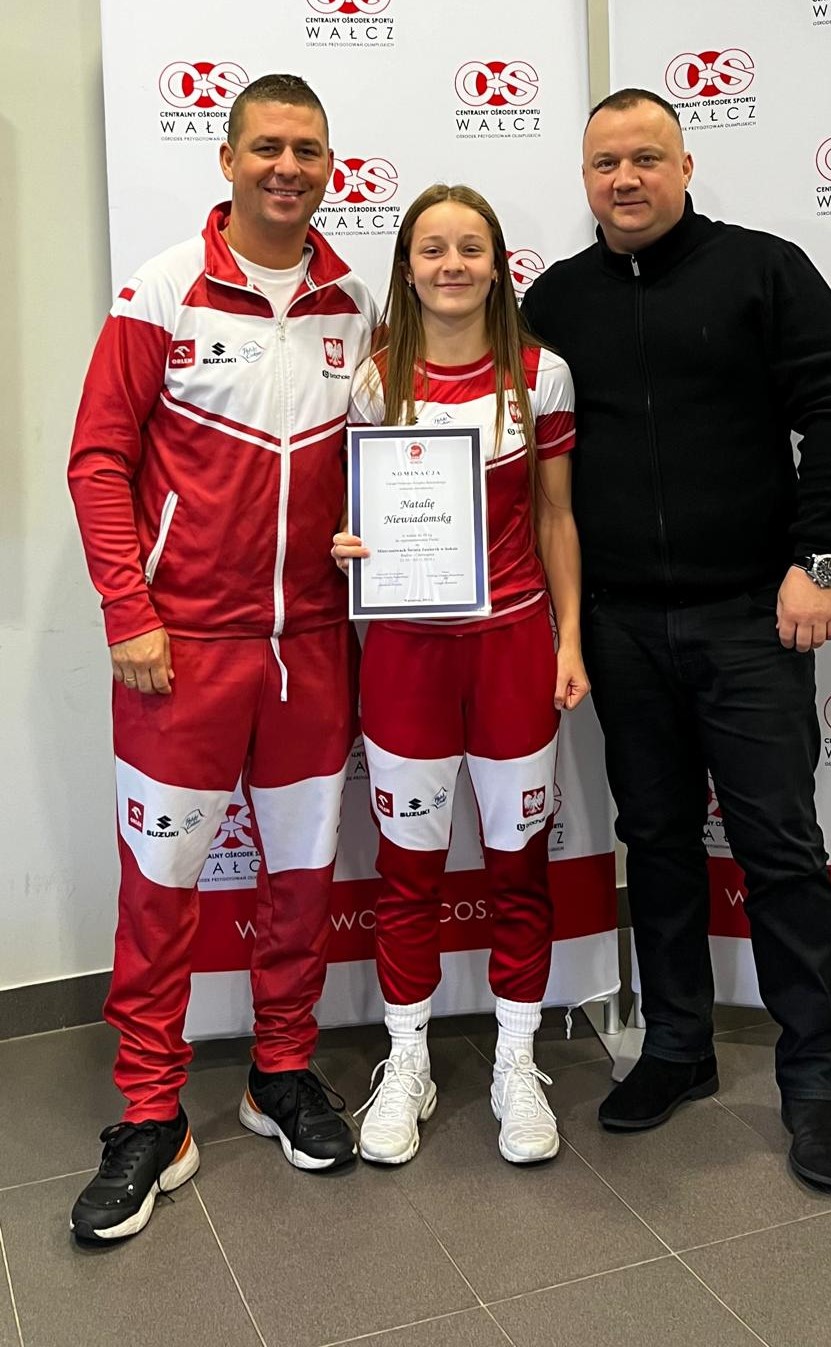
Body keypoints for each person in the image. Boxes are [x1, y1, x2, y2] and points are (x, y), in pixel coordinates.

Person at [520, 89, 831, 1190]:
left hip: (750, 617)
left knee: (778, 848)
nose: (623, 179)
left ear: (684, 165)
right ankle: (676, 1046)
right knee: (658, 841)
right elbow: (516, 452)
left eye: (644, 158)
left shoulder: (764, 270)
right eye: (603, 163)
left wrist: (820, 561)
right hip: (621, 622)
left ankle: (811, 1081)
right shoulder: (554, 300)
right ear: (584, 179)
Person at [66, 74, 378, 1241]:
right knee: (160, 894)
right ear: (228, 159)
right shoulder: (161, 289)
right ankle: (152, 1114)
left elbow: (386, 462)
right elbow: (99, 460)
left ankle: (279, 1074)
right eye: (266, 147)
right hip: (181, 652)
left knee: (300, 881)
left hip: (312, 651)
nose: (286, 167)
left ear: (330, 165)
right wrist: (127, 613)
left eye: (307, 149)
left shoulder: (355, 303)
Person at [332, 183, 588, 1168]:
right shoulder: (374, 382)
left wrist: (569, 640)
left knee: (518, 867)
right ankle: (409, 1060)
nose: (451, 264)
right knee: (409, 873)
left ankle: (516, 1061)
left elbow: (556, 516)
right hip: (406, 656)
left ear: (496, 264)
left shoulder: (540, 374)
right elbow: (348, 517)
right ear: (406, 269)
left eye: (469, 248)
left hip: (513, 646)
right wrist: (348, 543)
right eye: (432, 249)